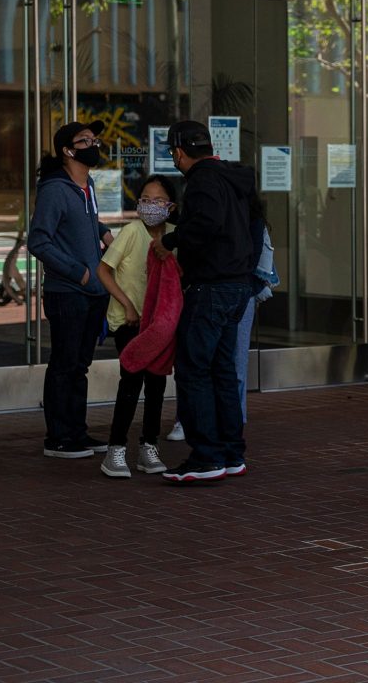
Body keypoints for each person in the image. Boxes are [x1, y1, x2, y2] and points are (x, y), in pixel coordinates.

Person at [152, 121, 260, 484]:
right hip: (237, 285)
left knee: (194, 369)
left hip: (210, 287)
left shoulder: (200, 180)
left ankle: (206, 457)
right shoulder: (234, 177)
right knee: (223, 371)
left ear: (179, 152)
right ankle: (231, 452)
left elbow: (207, 224)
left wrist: (170, 241)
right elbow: (243, 225)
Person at [28, 121, 115, 459]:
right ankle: (59, 438)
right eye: (84, 141)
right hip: (68, 292)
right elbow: (39, 240)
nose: (93, 144)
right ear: (67, 150)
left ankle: (76, 433)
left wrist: (104, 231)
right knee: (65, 364)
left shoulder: (87, 184)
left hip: (93, 292)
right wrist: (78, 272)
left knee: (79, 366)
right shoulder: (54, 188)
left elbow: (86, 221)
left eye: (94, 139)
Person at [96, 174, 178, 478]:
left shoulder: (174, 235)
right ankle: (115, 451)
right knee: (130, 382)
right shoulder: (131, 231)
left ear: (171, 206)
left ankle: (148, 446)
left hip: (160, 324)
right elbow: (103, 270)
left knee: (157, 385)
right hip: (129, 321)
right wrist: (127, 304)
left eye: (158, 200)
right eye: (145, 199)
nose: (150, 205)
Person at [232, 198, 279, 423]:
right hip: (236, 292)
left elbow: (253, 261)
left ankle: (236, 418)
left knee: (237, 362)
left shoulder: (253, 222)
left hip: (242, 293)